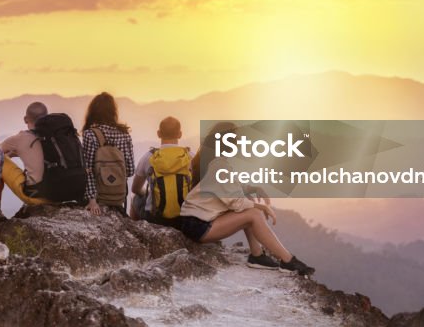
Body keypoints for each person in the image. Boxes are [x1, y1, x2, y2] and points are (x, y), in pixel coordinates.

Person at [178, 156, 316, 276]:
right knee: (252, 213)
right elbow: (236, 202)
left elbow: (233, 187)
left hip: (195, 221)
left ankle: (257, 256)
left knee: (249, 206)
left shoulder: (218, 164)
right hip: (196, 225)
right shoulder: (219, 166)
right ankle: (288, 261)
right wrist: (262, 207)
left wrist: (253, 189)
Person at [130, 116, 192, 226]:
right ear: (180, 134)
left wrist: (148, 193)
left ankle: (135, 234)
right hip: (184, 218)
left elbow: (135, 188)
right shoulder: (189, 157)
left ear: (158, 133)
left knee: (135, 198)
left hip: (155, 218)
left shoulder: (148, 157)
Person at [81, 92, 134, 215]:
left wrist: (92, 201)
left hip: (99, 198)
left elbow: (88, 169)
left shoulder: (90, 134)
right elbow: (130, 170)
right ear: (113, 112)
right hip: (118, 197)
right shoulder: (125, 134)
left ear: (92, 112)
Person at [0, 101, 52, 206]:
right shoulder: (54, 136)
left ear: (25, 119)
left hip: (36, 198)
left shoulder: (21, 138)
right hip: (59, 195)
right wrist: (16, 153)